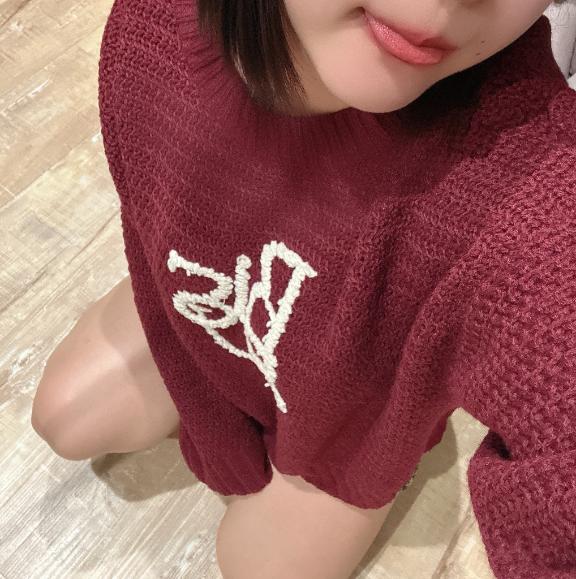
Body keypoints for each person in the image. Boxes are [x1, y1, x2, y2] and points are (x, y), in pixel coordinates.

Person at [32, 0, 576, 577]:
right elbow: (146, 208)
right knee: (64, 417)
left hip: (350, 419)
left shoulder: (529, 199)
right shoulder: (155, 26)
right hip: (210, 303)